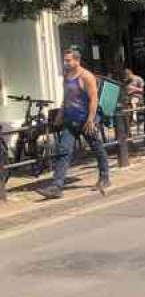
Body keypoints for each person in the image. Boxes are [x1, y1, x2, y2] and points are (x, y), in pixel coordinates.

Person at [40, 49, 110, 198]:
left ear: (77, 61)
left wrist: (91, 120)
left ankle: (104, 178)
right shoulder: (66, 76)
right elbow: (66, 98)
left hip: (86, 121)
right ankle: (56, 187)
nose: (65, 63)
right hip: (70, 122)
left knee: (97, 148)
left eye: (68, 60)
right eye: (65, 60)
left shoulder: (87, 77)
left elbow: (94, 99)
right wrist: (60, 115)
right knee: (63, 151)